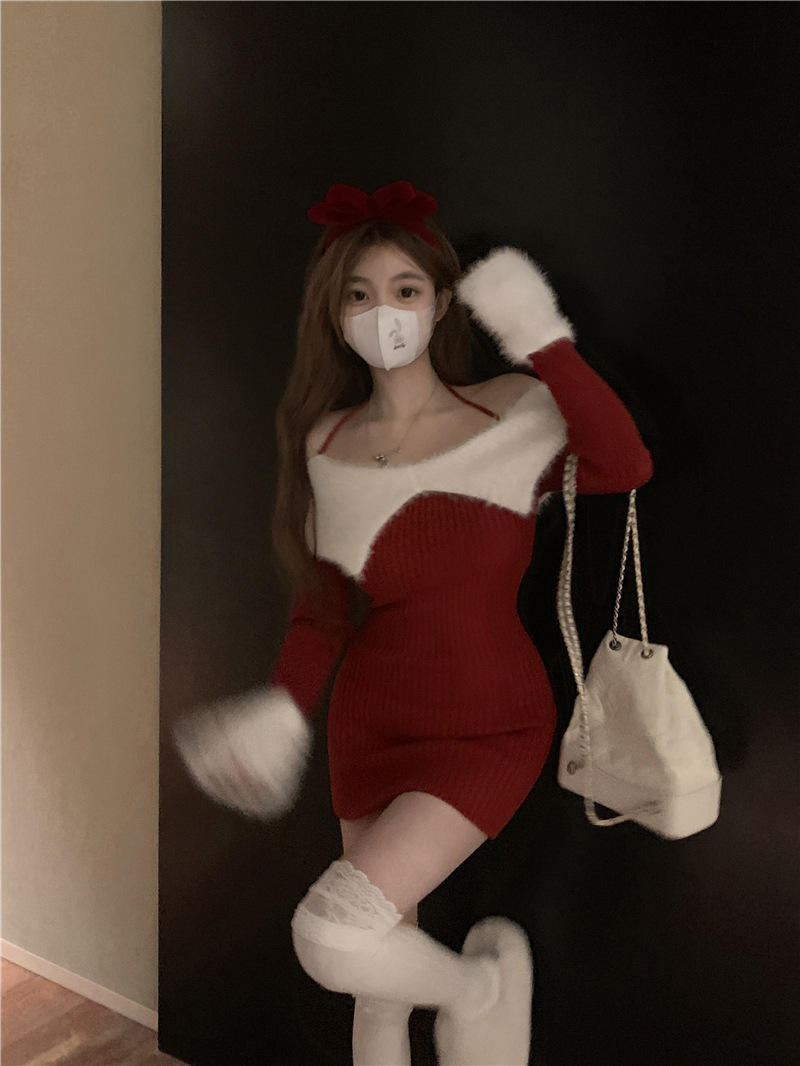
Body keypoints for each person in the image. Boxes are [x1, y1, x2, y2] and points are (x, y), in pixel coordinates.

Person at [174, 180, 653, 1066]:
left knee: (334, 937)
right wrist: (281, 707)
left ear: (439, 302)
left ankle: (481, 990)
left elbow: (624, 463)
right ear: (335, 314)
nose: (383, 313)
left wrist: (541, 336)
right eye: (359, 295)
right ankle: (466, 996)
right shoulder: (325, 442)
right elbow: (323, 610)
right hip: (369, 728)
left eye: (404, 289)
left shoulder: (512, 409)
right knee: (376, 985)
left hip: (490, 724)